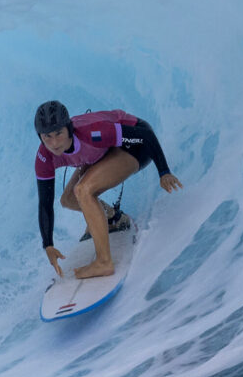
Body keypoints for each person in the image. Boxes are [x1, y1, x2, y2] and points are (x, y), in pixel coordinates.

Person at [34, 100, 182, 279]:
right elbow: (45, 203)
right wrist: (48, 245)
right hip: (104, 149)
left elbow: (146, 136)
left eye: (59, 133)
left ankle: (104, 262)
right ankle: (113, 219)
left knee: (83, 190)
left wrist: (164, 172)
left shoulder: (93, 132)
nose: (54, 142)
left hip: (136, 144)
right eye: (46, 136)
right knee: (68, 200)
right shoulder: (44, 157)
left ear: (69, 129)